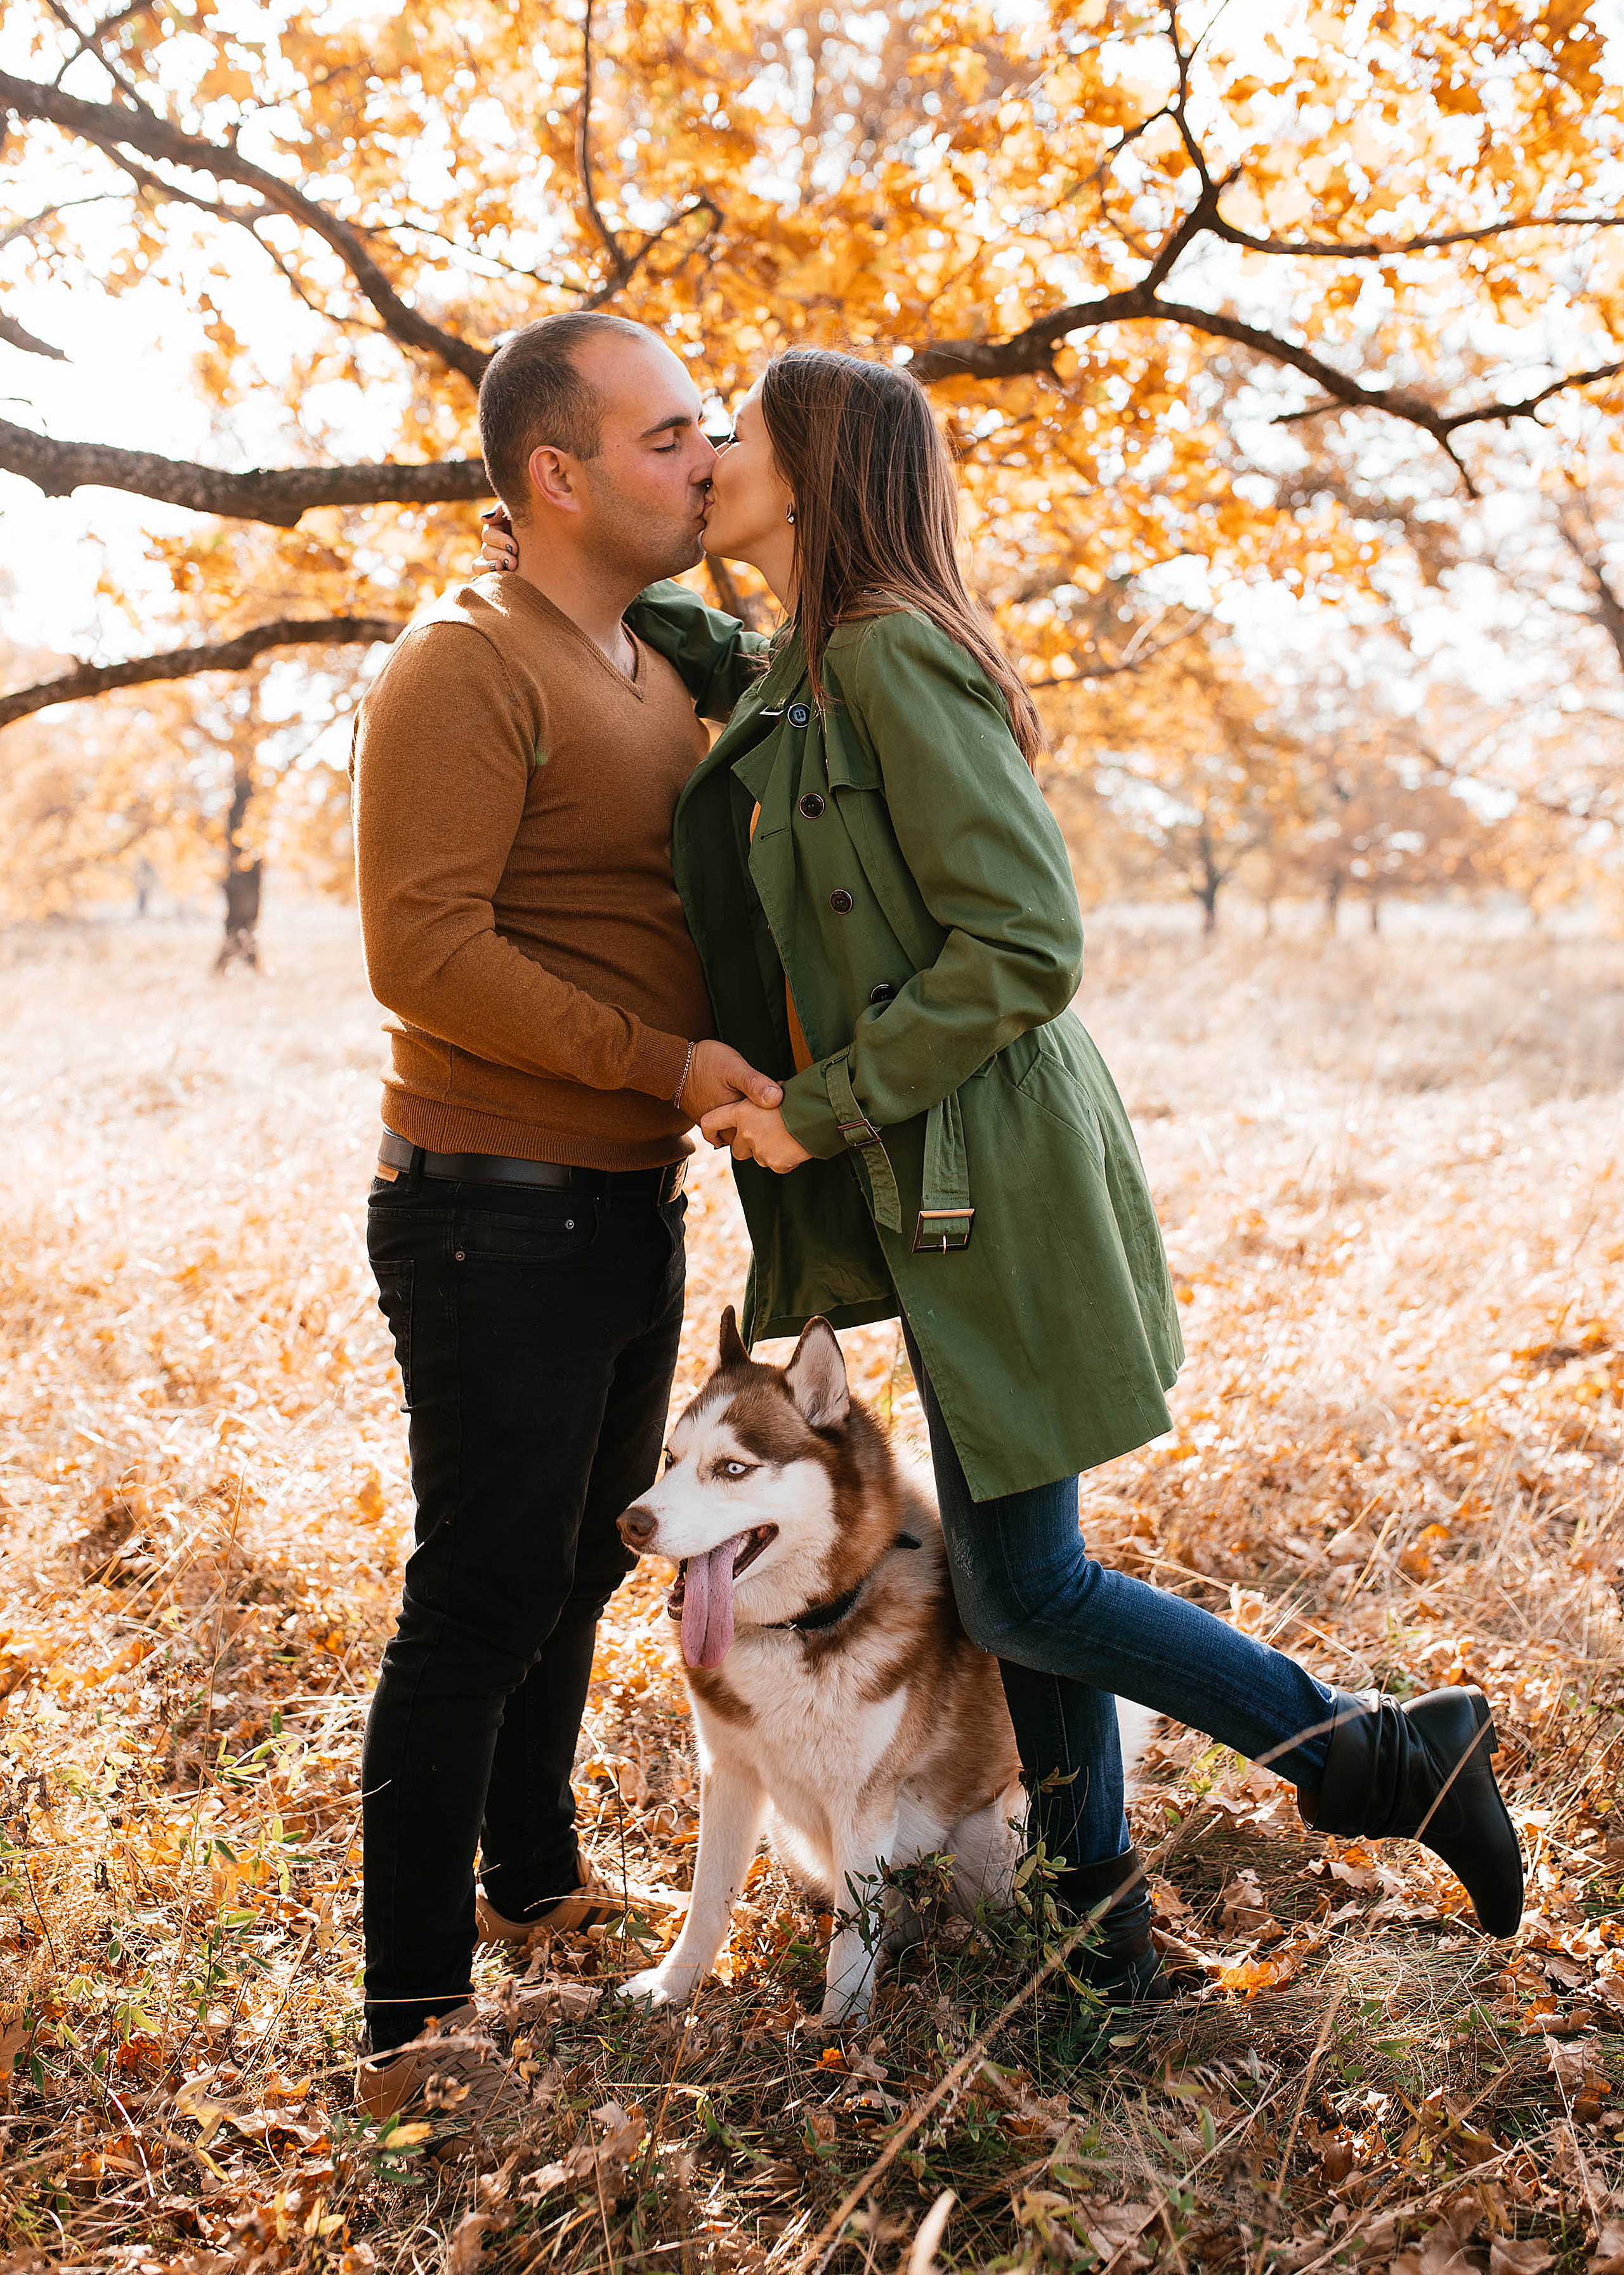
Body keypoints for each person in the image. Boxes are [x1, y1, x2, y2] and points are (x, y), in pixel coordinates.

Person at [480, 346, 1524, 2029]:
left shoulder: (892, 659)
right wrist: (577, 591)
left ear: (814, 473)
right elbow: (730, 669)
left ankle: (1379, 1752)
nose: (713, 455)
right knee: (1023, 1578)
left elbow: (1027, 942)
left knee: (1024, 1584)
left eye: (741, 431)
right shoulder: (808, 670)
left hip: (999, 1176)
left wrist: (826, 1108)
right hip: (944, 1188)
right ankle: (1106, 1946)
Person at [348, 310, 784, 2131]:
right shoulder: (463, 666)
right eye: (673, 435)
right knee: (479, 1598)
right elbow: (423, 951)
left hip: (625, 1197)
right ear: (558, 472)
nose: (705, 461)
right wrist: (659, 1061)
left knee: (587, 1564)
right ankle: (409, 2010)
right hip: (494, 1209)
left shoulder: (658, 656)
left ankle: (529, 1873)